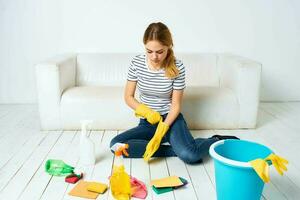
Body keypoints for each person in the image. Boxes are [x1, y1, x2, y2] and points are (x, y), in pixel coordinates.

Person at [110, 22, 238, 164]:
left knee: (191, 156)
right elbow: (128, 97)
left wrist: (164, 127)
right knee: (116, 145)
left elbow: (176, 105)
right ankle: (176, 149)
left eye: (159, 52)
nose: (154, 57)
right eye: (149, 51)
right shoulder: (137, 63)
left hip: (170, 120)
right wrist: (146, 112)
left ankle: (215, 140)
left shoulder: (178, 67)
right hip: (148, 122)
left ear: (168, 46)